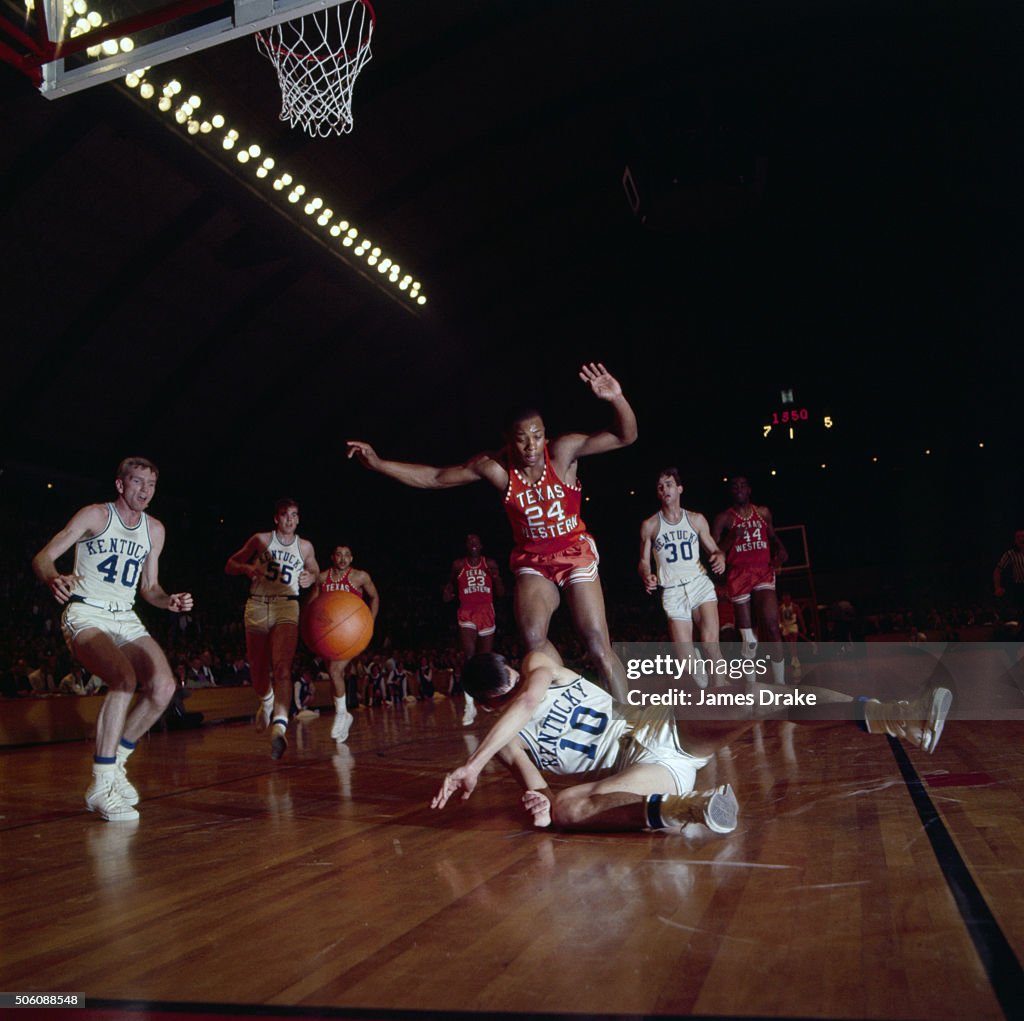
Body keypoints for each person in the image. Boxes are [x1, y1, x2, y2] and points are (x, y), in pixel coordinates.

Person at [348, 363, 638, 702]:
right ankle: (579, 698)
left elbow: (625, 436)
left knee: (597, 644)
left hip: (574, 552)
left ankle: (635, 724)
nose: (531, 445)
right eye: (521, 438)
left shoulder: (564, 451)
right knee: (533, 641)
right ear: (508, 440)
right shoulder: (497, 469)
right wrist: (381, 464)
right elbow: (436, 477)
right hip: (533, 559)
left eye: (536, 435)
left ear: (545, 434)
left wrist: (617, 399)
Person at [431, 649, 953, 835]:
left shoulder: (537, 666)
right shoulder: (503, 742)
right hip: (641, 775)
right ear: (487, 703)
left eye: (513, 682)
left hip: (663, 728)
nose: (516, 691)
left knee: (762, 697)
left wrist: (469, 766)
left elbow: (527, 701)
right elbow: (541, 791)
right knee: (567, 810)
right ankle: (693, 808)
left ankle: (899, 716)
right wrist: (539, 804)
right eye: (502, 695)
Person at [31, 456, 193, 822]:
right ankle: (101, 783)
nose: (145, 491)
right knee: (123, 679)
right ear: (120, 485)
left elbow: (150, 588)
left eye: (151, 485)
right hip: (86, 612)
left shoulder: (155, 530)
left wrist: (169, 601)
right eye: (137, 482)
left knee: (165, 687)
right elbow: (44, 557)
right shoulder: (94, 516)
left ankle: (117, 761)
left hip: (125, 615)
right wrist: (53, 577)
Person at [225, 498, 319, 760]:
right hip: (256, 605)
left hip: (287, 606)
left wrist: (310, 576)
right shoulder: (260, 540)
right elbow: (230, 564)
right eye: (284, 515)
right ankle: (266, 702)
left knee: (282, 668)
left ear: (298, 519)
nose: (290, 519)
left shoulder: (305, 546)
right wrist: (245, 568)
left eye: (294, 515)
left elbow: (314, 570)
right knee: (257, 670)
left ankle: (279, 725)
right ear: (276, 518)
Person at [638, 469, 727, 689]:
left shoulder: (696, 519)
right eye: (660, 486)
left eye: (669, 484)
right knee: (687, 663)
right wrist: (646, 575)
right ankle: (701, 674)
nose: (665, 489)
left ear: (679, 489)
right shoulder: (650, 525)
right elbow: (643, 561)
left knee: (710, 643)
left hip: (699, 585)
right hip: (672, 590)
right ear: (657, 493)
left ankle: (723, 691)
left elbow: (715, 550)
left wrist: (719, 557)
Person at [711, 476, 789, 684]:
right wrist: (732, 537)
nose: (739, 489)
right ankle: (751, 685)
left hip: (762, 571)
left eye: (743, 485)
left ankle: (781, 683)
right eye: (734, 486)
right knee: (747, 638)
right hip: (738, 574)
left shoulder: (763, 512)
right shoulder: (724, 519)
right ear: (731, 492)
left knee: (772, 626)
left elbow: (772, 536)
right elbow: (713, 552)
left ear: (749, 490)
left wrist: (780, 549)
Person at [312, 545, 379, 742]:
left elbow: (374, 597)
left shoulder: (360, 577)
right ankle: (344, 715)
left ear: (351, 558)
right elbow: (312, 605)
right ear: (333, 557)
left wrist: (370, 621)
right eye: (339, 555)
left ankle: (341, 713)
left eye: (347, 555)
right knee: (335, 676)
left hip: (352, 633)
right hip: (329, 634)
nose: (343, 559)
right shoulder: (322, 578)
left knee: (334, 671)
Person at [443, 533, 505, 724]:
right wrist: (448, 591)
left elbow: (501, 594)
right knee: (469, 656)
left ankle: (486, 699)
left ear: (481, 545)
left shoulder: (490, 564)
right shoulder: (459, 565)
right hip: (467, 611)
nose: (473, 544)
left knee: (484, 660)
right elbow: (450, 585)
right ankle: (469, 705)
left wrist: (496, 579)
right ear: (466, 546)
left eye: (476, 541)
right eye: (469, 542)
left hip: (486, 611)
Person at [992, 530, 1024, 624]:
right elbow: (998, 570)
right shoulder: (1010, 554)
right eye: (1019, 537)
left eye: (1023, 536)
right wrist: (997, 587)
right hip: (1019, 587)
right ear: (1015, 540)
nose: (1021, 539)